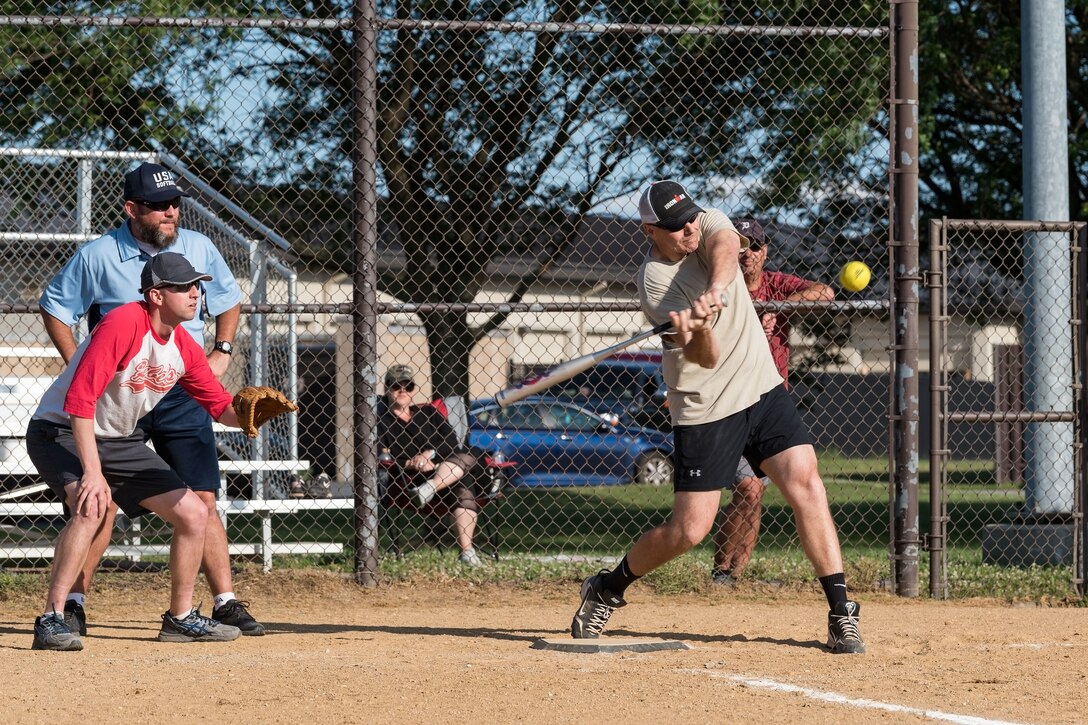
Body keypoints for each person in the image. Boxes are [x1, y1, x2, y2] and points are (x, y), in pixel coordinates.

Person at [569, 180, 864, 654]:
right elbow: (704, 358)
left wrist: (717, 288)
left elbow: (726, 242)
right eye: (674, 227)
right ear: (650, 231)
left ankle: (841, 611)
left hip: (762, 387)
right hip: (707, 407)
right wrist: (699, 326)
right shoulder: (656, 285)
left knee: (806, 483)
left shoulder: (705, 225)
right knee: (689, 530)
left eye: (690, 219)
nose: (688, 230)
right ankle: (607, 586)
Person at [38, 162, 264, 636]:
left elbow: (217, 405)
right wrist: (95, 475)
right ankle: (55, 616)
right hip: (65, 427)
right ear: (157, 295)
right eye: (186, 288)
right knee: (92, 504)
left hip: (120, 431)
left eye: (197, 286)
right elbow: (79, 403)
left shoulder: (183, 345)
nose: (197, 296)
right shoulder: (121, 323)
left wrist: (248, 414)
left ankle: (181, 617)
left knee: (194, 509)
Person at [711, 218, 834, 586]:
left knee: (756, 495)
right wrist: (747, 319)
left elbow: (825, 293)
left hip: (769, 404)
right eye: (741, 246)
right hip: (728, 402)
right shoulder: (720, 286)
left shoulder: (776, 283)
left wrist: (776, 306)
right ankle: (721, 571)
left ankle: (735, 575)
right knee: (747, 490)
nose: (747, 253)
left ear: (764, 252)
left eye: (755, 246)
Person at [378, 365, 484, 567]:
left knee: (471, 453)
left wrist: (429, 454)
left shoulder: (428, 411)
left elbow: (452, 442)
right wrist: (410, 463)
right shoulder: (380, 422)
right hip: (411, 481)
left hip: (441, 472)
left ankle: (431, 488)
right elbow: (380, 456)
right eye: (396, 386)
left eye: (408, 386)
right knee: (463, 480)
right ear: (387, 389)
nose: (402, 391)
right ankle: (467, 552)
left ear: (413, 390)